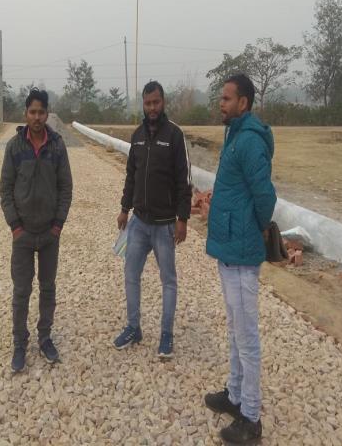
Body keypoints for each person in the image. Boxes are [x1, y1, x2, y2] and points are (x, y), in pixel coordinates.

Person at [203, 74, 276, 443]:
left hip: (243, 250)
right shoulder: (234, 134)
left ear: (243, 103)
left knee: (246, 335)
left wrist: (256, 227)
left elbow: (265, 197)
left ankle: (251, 416)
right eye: (221, 98)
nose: (221, 103)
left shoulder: (249, 140)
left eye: (227, 98)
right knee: (234, 328)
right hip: (229, 247)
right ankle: (234, 395)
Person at [113, 80, 192, 358]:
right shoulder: (136, 136)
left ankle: (166, 335)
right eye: (147, 103)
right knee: (130, 274)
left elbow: (184, 181)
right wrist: (124, 208)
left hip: (164, 225)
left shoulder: (175, 136)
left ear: (163, 102)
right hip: (138, 223)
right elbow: (131, 176)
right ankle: (133, 328)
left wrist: (183, 219)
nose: (152, 108)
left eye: (156, 102)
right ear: (143, 105)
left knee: (168, 280)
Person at [0, 88, 73, 372]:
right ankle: (20, 342)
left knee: (48, 288)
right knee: (21, 290)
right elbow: (5, 190)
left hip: (50, 234)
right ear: (25, 114)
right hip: (23, 234)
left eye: (42, 112)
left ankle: (44, 337)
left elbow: (66, 188)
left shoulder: (57, 146)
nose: (37, 117)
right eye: (33, 112)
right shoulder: (14, 147)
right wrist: (15, 226)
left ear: (47, 114)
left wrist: (58, 225)